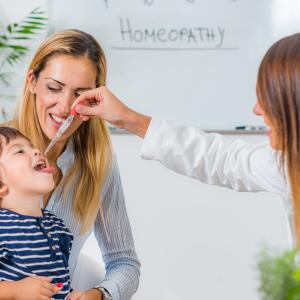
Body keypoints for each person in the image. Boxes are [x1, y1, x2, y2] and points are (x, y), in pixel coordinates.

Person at [72, 33, 300, 246]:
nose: (256, 110)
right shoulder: (286, 164)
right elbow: (221, 159)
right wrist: (127, 119)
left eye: (267, 99)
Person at [2, 29, 140, 300]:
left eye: (80, 94)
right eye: (54, 88)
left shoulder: (98, 164)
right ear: (32, 81)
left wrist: (99, 295)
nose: (65, 107)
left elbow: (124, 263)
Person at [0, 126, 76, 299]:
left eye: (32, 147)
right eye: (19, 151)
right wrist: (15, 291)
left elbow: (61, 283)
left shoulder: (58, 227)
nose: (36, 151)